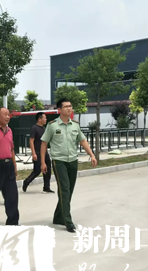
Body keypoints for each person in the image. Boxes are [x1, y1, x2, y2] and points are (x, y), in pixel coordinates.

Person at [41, 98, 97, 233]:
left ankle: (58, 216)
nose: (69, 108)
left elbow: (82, 141)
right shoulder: (52, 125)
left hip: (73, 161)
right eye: (66, 106)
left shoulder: (75, 125)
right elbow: (44, 143)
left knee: (68, 190)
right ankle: (67, 221)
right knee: (64, 189)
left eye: (70, 106)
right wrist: (43, 162)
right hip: (59, 161)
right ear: (59, 110)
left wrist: (92, 154)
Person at [22, 112, 54, 193]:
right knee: (37, 171)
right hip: (37, 153)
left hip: (45, 153)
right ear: (39, 119)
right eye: (44, 118)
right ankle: (26, 182)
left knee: (48, 170)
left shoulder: (44, 128)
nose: (46, 119)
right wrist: (33, 153)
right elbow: (31, 141)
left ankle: (46, 187)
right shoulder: (34, 128)